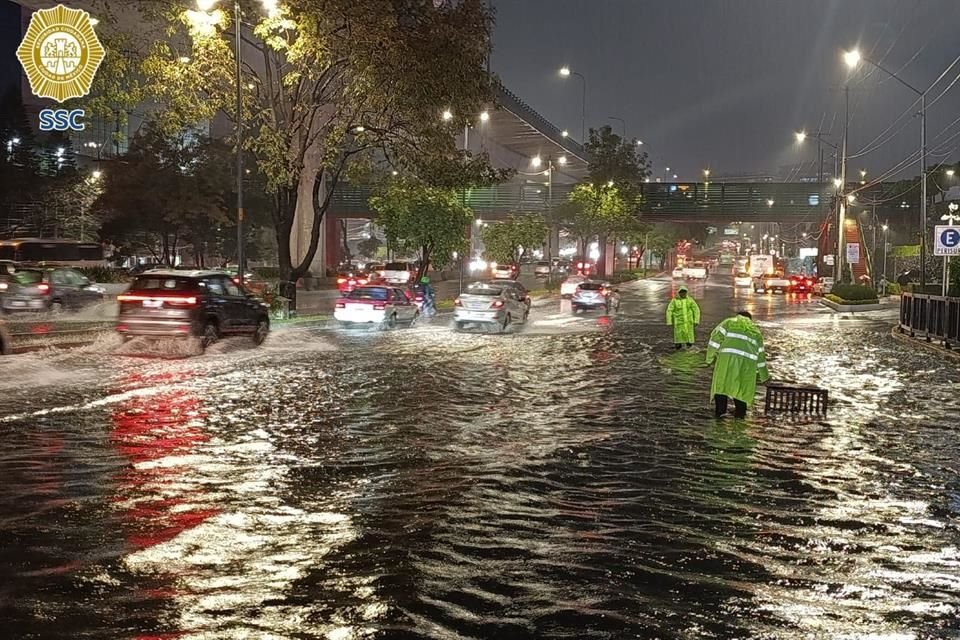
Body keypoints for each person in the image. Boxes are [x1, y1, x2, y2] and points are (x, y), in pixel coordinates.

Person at [705, 311, 769, 419]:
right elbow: (761, 358)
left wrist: (709, 359)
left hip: (726, 363)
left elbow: (714, 340)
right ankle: (739, 420)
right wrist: (765, 377)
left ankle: (719, 418)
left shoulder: (728, 323)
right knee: (741, 392)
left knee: (721, 388)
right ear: (750, 320)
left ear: (738, 316)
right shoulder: (756, 332)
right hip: (746, 368)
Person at [665, 285, 701, 349]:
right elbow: (669, 311)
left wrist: (696, 320)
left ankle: (689, 349)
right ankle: (678, 349)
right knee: (678, 339)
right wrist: (669, 321)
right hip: (679, 323)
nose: (683, 294)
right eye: (681, 292)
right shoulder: (674, 301)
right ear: (679, 293)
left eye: (684, 292)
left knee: (689, 339)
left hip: (688, 323)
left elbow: (696, 310)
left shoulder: (690, 300)